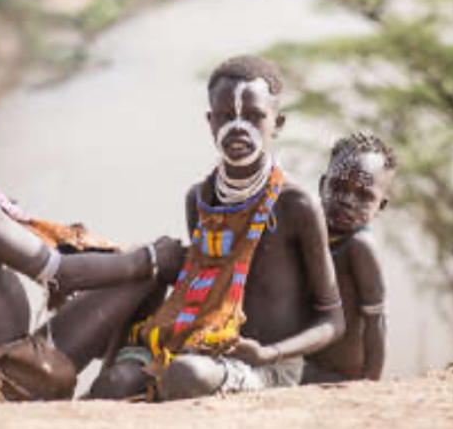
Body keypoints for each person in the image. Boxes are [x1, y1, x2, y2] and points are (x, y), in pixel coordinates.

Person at [0, 45, 184, 402]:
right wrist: (152, 257)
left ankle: (112, 386)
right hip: (0, 378)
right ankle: (112, 394)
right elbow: (58, 272)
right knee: (143, 270)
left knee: (126, 265)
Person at [91, 55, 345, 401]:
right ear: (210, 122)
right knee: (116, 381)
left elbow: (333, 321)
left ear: (278, 123)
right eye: (227, 116)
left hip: (266, 365)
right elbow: (205, 286)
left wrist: (269, 354)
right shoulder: (200, 200)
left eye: (254, 116)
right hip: (197, 345)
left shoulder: (296, 206)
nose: (239, 126)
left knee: (185, 374)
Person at [302, 131, 397, 383]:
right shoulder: (308, 237)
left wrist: (371, 384)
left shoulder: (359, 247)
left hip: (340, 379)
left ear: (380, 206)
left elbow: (376, 321)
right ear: (323, 185)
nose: (347, 201)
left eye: (364, 196)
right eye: (338, 187)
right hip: (303, 369)